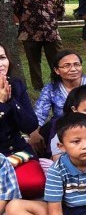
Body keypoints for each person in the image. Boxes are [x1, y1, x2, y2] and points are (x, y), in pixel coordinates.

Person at [29, 50, 86, 158]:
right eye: (67, 66)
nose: (73, 69)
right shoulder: (51, 89)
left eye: (77, 65)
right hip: (63, 129)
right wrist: (34, 132)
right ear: (57, 70)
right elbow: (40, 113)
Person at [0, 43, 45, 199]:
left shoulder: (16, 85)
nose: (0, 64)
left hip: (16, 152)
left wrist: (10, 100)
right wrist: (1, 105)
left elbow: (30, 125)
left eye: (2, 58)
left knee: (34, 185)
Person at [12, 0, 64, 90]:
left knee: (57, 61)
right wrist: (26, 22)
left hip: (51, 33)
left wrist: (49, 21)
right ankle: (38, 88)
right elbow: (15, 9)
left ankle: (58, 86)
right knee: (34, 63)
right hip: (30, 34)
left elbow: (60, 12)